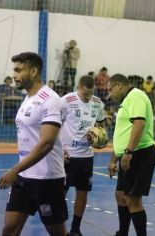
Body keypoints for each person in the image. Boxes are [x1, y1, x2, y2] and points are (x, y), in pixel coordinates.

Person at [0, 52, 67, 236]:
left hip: (47, 179)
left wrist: (14, 170)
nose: (14, 75)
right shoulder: (27, 99)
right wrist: (19, 172)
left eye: (19, 70)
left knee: (57, 232)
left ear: (34, 71)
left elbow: (46, 144)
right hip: (23, 178)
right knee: (9, 229)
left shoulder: (50, 99)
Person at [107, 74, 155, 236]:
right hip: (129, 155)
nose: (109, 93)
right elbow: (124, 133)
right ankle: (123, 233)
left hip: (140, 154)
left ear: (119, 85)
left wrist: (128, 152)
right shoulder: (125, 102)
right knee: (120, 195)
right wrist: (114, 160)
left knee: (133, 200)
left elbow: (139, 124)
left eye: (110, 89)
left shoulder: (136, 96)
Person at [61, 75, 106, 236]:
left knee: (83, 193)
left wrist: (98, 137)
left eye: (90, 93)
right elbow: (53, 125)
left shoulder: (97, 103)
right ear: (78, 88)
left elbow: (101, 125)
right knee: (61, 194)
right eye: (85, 94)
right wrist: (59, 149)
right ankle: (59, 229)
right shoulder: (66, 101)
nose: (88, 97)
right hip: (67, 156)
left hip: (87, 157)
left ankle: (75, 229)